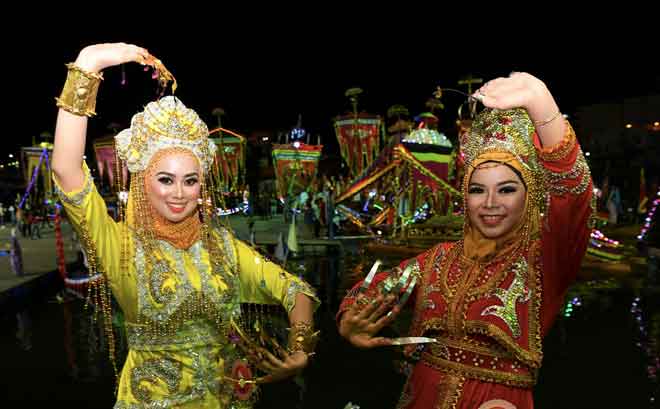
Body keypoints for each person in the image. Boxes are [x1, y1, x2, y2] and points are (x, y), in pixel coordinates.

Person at [52, 43, 319, 408]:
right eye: (166, 179)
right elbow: (66, 170)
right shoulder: (120, 247)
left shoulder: (221, 247)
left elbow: (295, 291)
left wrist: (300, 348)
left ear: (201, 185)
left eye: (190, 181)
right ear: (143, 181)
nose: (179, 193)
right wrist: (89, 63)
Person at [337, 72, 594, 408]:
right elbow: (373, 288)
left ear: (528, 197)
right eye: (477, 190)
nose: (490, 203)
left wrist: (542, 104)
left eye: (506, 189)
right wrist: (349, 320)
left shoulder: (545, 260)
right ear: (465, 197)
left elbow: (574, 196)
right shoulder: (438, 260)